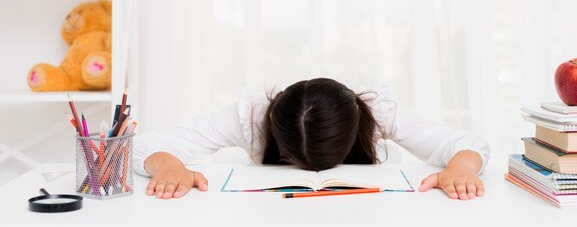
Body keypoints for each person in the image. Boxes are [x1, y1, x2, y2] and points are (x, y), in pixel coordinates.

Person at [134, 78, 490, 200]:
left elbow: (466, 143)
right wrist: (167, 165)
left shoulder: (376, 113)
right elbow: (144, 145)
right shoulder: (252, 117)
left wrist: (460, 167)